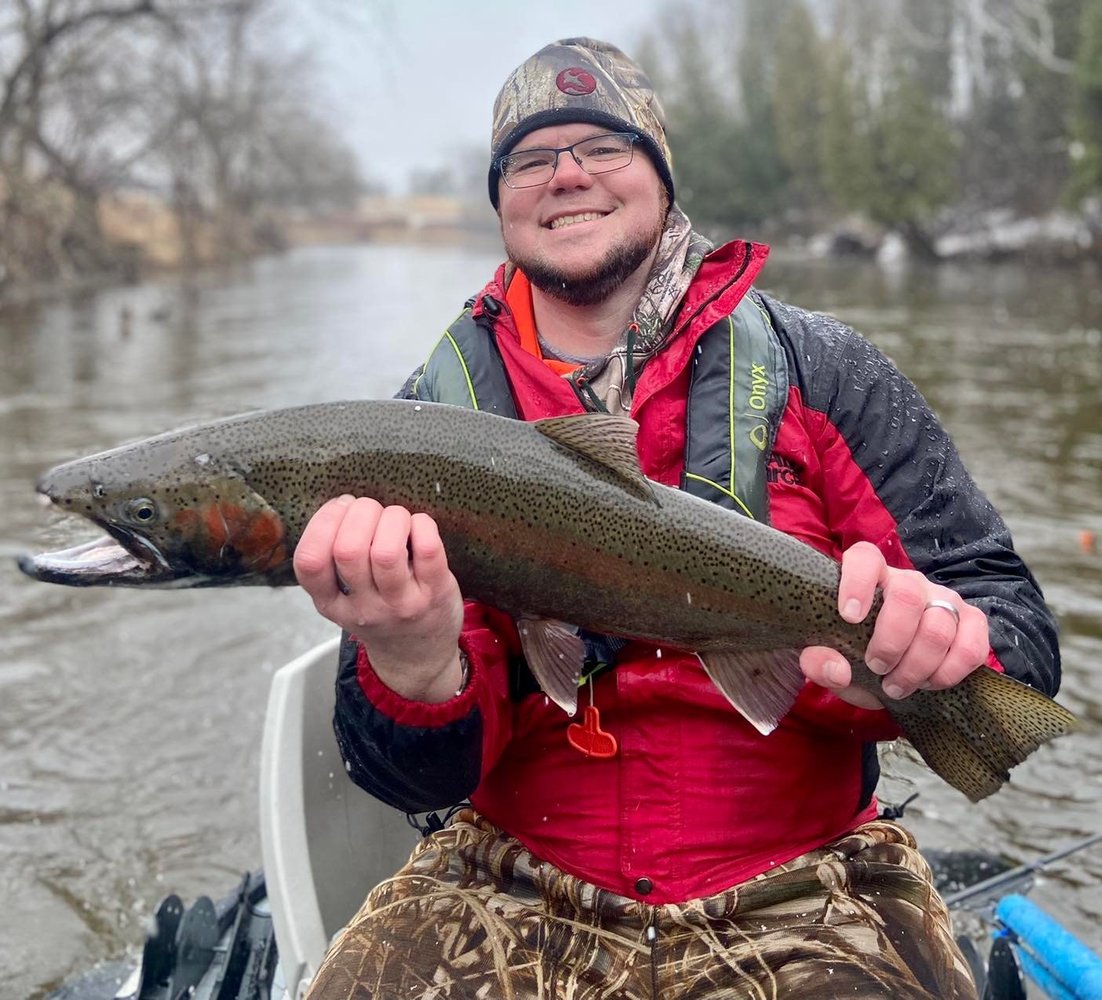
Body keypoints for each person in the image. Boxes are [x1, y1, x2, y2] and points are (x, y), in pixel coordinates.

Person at [293, 37, 1060, 1000]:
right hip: (510, 883)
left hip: (806, 884)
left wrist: (929, 660)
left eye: (604, 147)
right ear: (501, 202)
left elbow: (1015, 627)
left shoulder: (826, 373)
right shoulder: (425, 420)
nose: (567, 173)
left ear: (661, 174)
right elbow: (410, 781)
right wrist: (410, 661)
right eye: (531, 160)